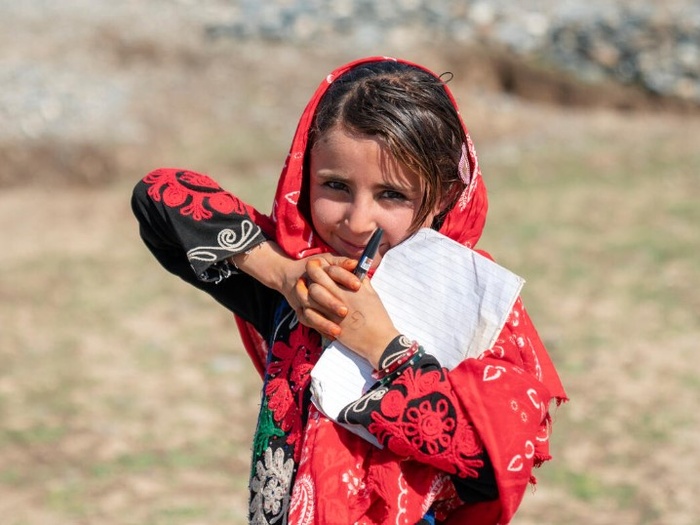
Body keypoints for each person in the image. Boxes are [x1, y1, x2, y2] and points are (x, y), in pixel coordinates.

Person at [131, 56, 566, 525]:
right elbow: (158, 197)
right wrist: (282, 274)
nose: (357, 222)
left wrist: (385, 346)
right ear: (303, 174)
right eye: (335, 186)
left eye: (392, 195)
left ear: (441, 197)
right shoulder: (303, 286)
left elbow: (490, 467)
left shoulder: (473, 303)